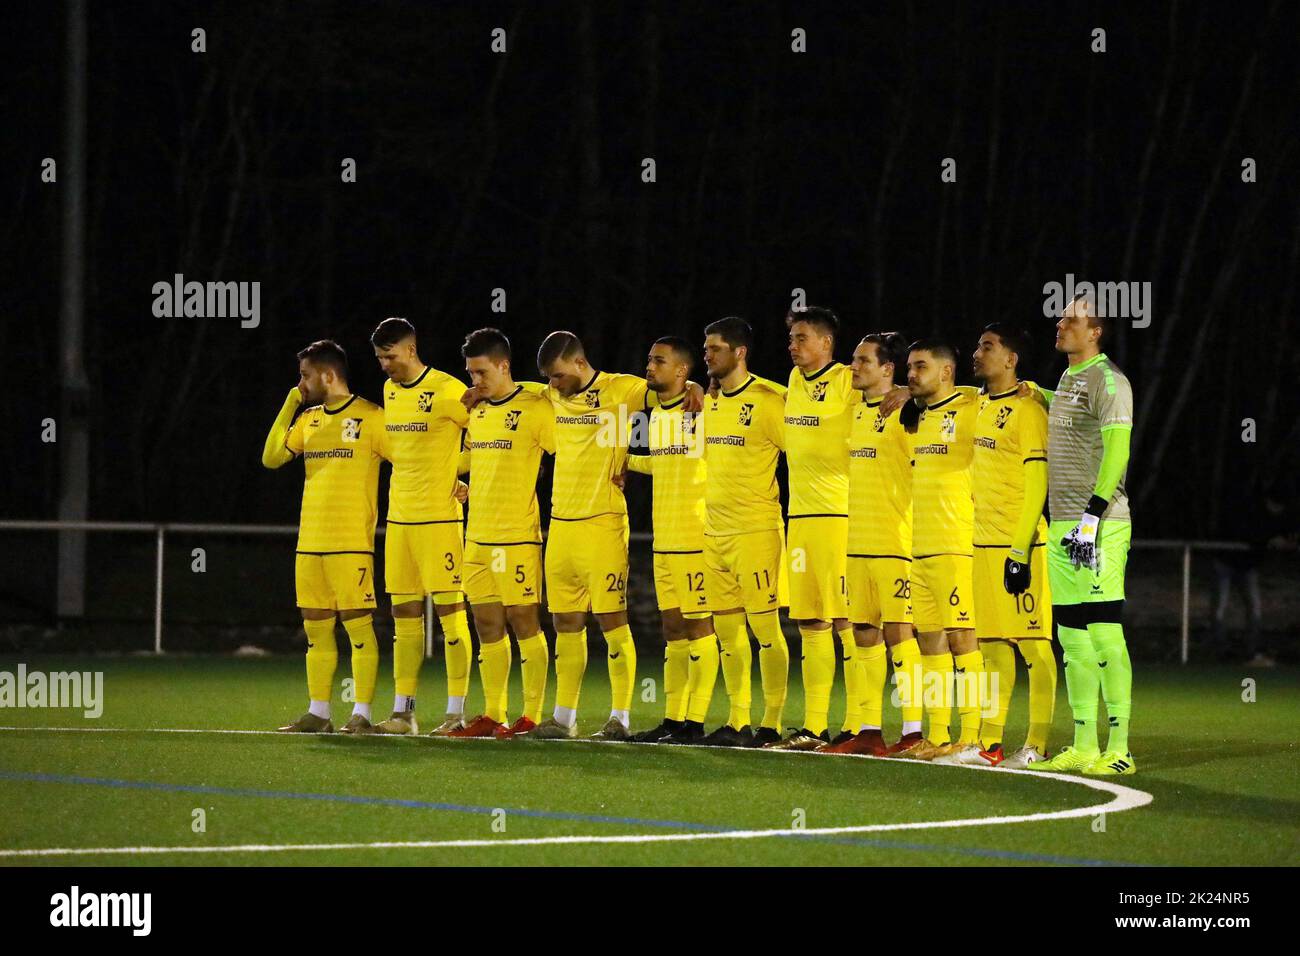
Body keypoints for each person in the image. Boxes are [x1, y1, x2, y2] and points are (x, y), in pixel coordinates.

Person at [934, 324, 1057, 768]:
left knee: (1034, 646)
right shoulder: (977, 403)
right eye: (977, 344)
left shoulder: (1027, 411)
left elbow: (1037, 484)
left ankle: (1037, 745)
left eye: (988, 347)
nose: (976, 353)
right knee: (991, 648)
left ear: (1011, 359)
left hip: (1019, 545)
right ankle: (988, 746)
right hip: (980, 543)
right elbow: (930, 389)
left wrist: (1020, 549)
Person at [1030, 294, 1137, 775]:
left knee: (1104, 631)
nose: (1061, 322)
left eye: (1071, 318)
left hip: (1099, 524)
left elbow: (1118, 450)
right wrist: (1040, 394)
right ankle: (1083, 745)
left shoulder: (1109, 379)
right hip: (1062, 525)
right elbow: (1072, 421)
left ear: (1094, 331)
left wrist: (1093, 515)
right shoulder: (1070, 378)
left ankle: (1120, 748)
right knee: (1071, 638)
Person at [261, 340, 388, 734]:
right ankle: (318, 713)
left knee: (358, 629)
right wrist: (290, 403)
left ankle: (361, 715)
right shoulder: (309, 419)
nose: (300, 383)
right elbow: (271, 458)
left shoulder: (372, 418)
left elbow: (409, 460)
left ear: (328, 375)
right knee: (316, 631)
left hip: (350, 543)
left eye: (304, 375)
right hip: (310, 542)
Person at [369, 317, 475, 736]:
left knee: (451, 616)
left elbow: (484, 435)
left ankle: (456, 713)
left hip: (439, 519)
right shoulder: (390, 390)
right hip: (399, 520)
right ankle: (403, 713)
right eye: (379, 358)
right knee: (404, 617)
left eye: (390, 357)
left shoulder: (449, 390)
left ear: (410, 350)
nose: (384, 366)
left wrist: (463, 473)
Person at [449, 328, 555, 738]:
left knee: (524, 620)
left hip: (517, 536)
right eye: (470, 374)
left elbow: (566, 450)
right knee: (487, 624)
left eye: (480, 372)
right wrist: (468, 486)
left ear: (503, 365)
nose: (475, 381)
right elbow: (481, 460)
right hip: (477, 536)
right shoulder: (477, 411)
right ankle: (494, 713)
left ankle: (530, 715)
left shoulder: (534, 407)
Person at [765, 307, 860, 752]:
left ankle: (861, 726)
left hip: (840, 518)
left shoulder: (847, 380)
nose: (793, 345)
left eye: (802, 338)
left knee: (848, 621)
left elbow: (886, 396)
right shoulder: (792, 381)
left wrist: (901, 391)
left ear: (826, 343)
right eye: (791, 338)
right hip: (799, 519)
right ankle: (816, 727)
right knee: (810, 622)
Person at [822, 332, 918, 756]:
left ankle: (914, 732)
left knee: (900, 633)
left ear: (887, 369)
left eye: (863, 361)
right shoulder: (854, 412)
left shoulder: (909, 413)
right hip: (857, 543)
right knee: (863, 633)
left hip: (897, 541)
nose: (852, 367)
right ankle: (870, 730)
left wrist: (909, 391)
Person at [697, 317, 791, 747]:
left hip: (756, 531)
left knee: (765, 630)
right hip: (714, 533)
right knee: (727, 633)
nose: (707, 355)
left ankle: (770, 723)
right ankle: (737, 721)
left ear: (740, 353)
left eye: (715, 348)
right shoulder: (710, 400)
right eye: (704, 348)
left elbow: (806, 452)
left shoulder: (771, 401)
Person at [620, 337, 720, 744]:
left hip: (696, 538)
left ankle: (695, 722)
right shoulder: (656, 414)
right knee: (673, 630)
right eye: (648, 358)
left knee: (701, 629)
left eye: (658, 361)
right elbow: (666, 463)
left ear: (682, 371)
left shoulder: (705, 408)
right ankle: (673, 720)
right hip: (664, 541)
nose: (649, 366)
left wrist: (701, 387)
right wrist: (624, 463)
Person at [892, 340, 983, 761]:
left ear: (947, 371)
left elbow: (1003, 393)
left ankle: (973, 735)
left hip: (956, 545)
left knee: (964, 638)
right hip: (920, 547)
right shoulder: (917, 417)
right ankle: (939, 734)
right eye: (909, 367)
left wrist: (1034, 388)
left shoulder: (969, 408)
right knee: (930, 642)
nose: (911, 374)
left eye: (920, 367)